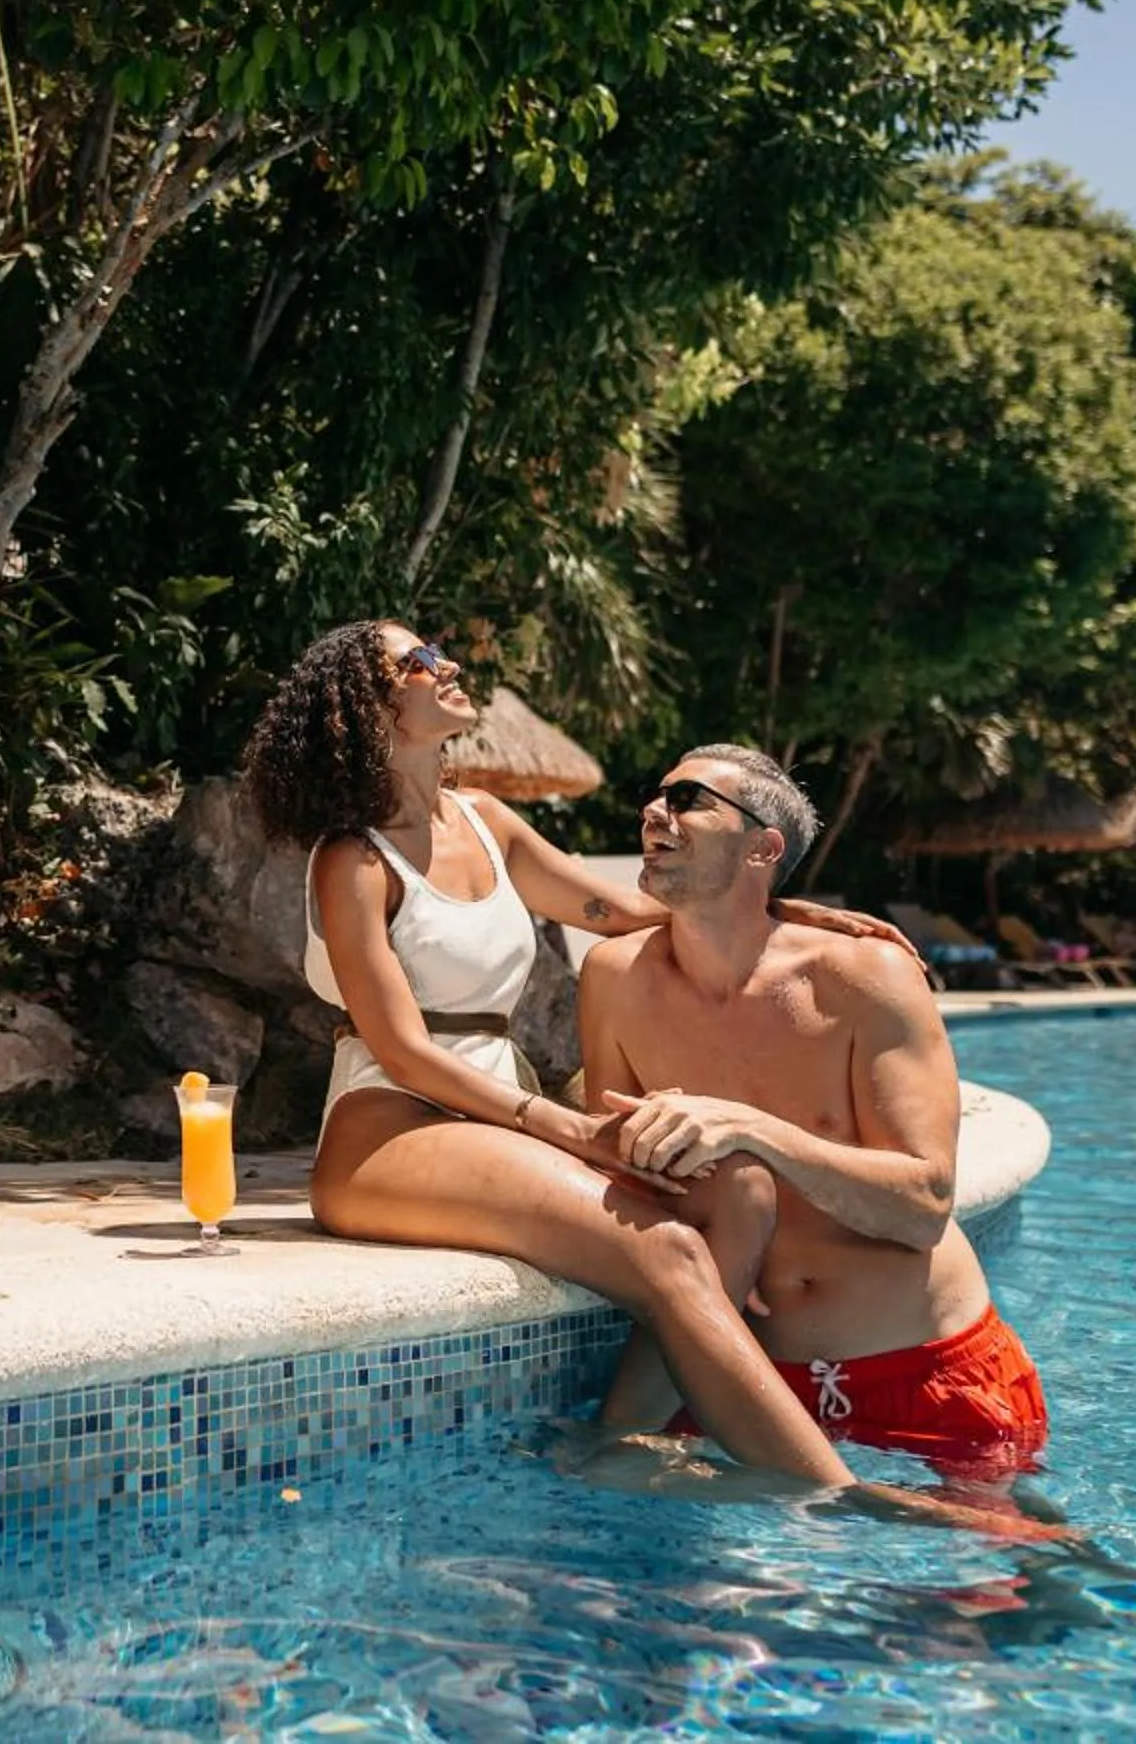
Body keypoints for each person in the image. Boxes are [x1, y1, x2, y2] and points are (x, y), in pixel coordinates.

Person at [242, 621, 857, 1484]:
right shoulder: (353, 861)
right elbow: (406, 1053)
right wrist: (571, 1130)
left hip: (493, 1124)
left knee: (743, 1188)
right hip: (389, 1132)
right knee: (669, 1250)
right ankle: (835, 1498)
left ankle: (615, 1444)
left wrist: (791, 916)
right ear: (368, 705)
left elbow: (615, 912)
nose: (444, 664)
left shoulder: (486, 821)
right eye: (416, 661)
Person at [580, 745, 1050, 1487]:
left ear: (763, 848)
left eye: (690, 798)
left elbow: (924, 1205)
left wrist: (753, 1130)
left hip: (925, 1377)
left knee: (984, 1597)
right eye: (654, 793)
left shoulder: (863, 976)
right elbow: (615, 1174)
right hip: (744, 1388)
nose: (654, 811)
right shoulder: (613, 980)